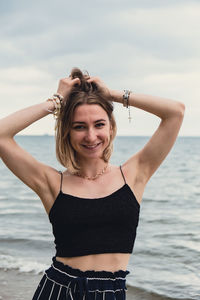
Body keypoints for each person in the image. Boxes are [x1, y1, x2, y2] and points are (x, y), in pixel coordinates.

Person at [0, 68, 185, 300]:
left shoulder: (134, 174)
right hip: (58, 290)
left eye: (99, 124)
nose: (91, 136)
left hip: (112, 292)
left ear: (111, 127)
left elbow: (175, 113)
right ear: (66, 131)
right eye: (79, 126)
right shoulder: (51, 182)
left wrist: (112, 95)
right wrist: (56, 100)